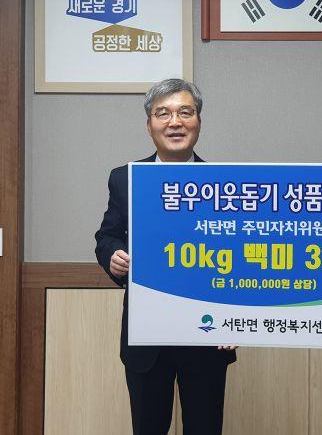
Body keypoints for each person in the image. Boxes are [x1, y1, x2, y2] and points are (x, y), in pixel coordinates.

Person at [95, 78, 236, 435]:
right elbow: (107, 236)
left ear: (199, 121)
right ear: (150, 125)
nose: (175, 122)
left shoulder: (226, 183)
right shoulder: (125, 179)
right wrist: (113, 256)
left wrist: (235, 318)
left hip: (207, 333)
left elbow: (241, 253)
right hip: (148, 337)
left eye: (185, 112)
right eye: (164, 114)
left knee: (205, 427)